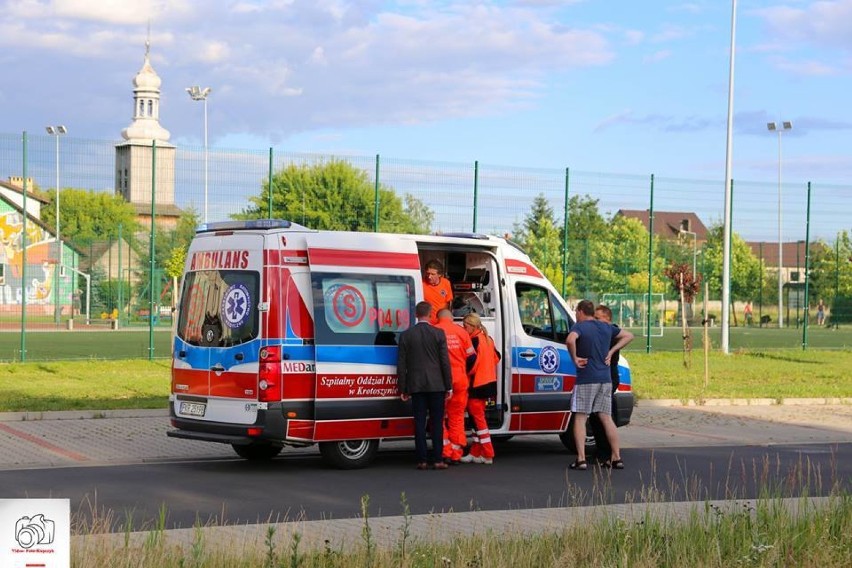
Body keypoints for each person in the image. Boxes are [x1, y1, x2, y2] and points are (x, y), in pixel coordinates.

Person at [565, 299, 634, 471]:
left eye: (576, 313)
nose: (575, 316)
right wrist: (611, 351)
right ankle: (616, 457)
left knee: (580, 417)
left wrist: (574, 358)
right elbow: (629, 335)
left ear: (581, 312)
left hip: (586, 378)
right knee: (606, 417)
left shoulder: (580, 327)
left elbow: (570, 340)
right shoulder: (605, 327)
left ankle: (581, 459)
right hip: (605, 379)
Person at [397, 301, 454, 470]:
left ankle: (421, 460)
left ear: (415, 315)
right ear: (430, 315)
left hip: (416, 386)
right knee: (437, 423)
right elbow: (445, 362)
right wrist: (448, 386)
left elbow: (401, 364)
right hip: (437, 385)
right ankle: (438, 459)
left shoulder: (406, 335)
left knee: (419, 423)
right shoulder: (438, 333)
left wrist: (403, 388)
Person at [434, 308, 477, 464]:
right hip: (459, 380)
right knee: (457, 417)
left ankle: (445, 451)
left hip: (439, 381)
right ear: (451, 318)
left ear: (437, 318)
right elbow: (472, 356)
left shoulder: (434, 331)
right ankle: (456, 452)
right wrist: (464, 371)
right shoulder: (461, 332)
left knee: (438, 417)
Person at [460, 312, 500, 465]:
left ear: (473, 326)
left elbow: (471, 364)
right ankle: (475, 452)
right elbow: (497, 357)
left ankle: (488, 453)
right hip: (488, 383)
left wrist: (465, 373)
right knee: (477, 420)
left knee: (479, 421)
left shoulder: (474, 340)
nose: (464, 329)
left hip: (476, 384)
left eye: (466, 326)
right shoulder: (487, 338)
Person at [588, 304, 621, 464]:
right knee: (601, 416)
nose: (594, 321)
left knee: (601, 416)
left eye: (597, 318)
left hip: (606, 378)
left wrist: (612, 351)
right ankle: (609, 453)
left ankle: (606, 453)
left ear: (607, 319)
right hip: (605, 378)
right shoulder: (610, 332)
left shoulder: (609, 332)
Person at [423, 260, 453, 324]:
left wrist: (447, 320)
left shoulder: (446, 283)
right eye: (428, 273)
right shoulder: (421, 284)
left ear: (439, 275)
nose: (429, 276)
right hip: (427, 323)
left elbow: (448, 302)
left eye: (433, 274)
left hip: (441, 322)